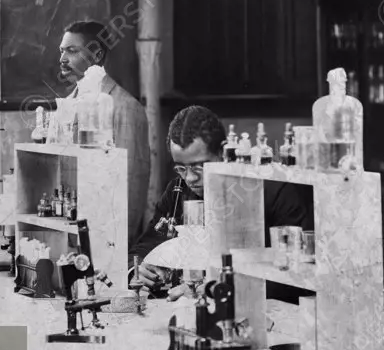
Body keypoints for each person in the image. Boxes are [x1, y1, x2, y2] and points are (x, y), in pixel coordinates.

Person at [131, 105, 313, 296]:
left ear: (224, 151)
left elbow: (297, 276)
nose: (190, 178)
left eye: (199, 166)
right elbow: (144, 247)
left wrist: (218, 287)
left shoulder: (273, 191)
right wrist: (137, 272)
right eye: (181, 168)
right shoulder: (177, 191)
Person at [58, 20, 150, 243]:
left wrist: (120, 245)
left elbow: (132, 185)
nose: (62, 59)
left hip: (108, 238)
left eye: (72, 51)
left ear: (97, 55)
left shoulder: (124, 107)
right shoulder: (67, 105)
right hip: (69, 232)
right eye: (61, 51)